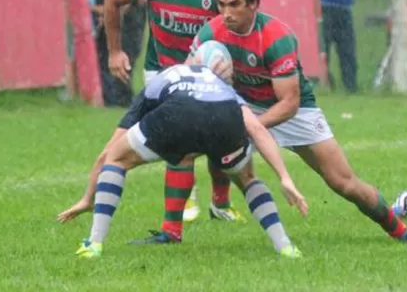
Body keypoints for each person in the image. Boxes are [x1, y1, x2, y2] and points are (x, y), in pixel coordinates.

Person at [159, 0, 407, 244]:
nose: (226, 13)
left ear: (253, 3)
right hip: (244, 105)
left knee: (343, 182)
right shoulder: (211, 34)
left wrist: (249, 127)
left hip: (294, 112)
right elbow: (192, 76)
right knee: (185, 148)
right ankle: (171, 232)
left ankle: (401, 232)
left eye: (235, 4)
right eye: (221, 4)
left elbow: (289, 103)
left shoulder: (276, 38)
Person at [66, 0, 242, 246]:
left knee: (218, 146)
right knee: (182, 148)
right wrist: (116, 51)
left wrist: (229, 62)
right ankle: (176, 226)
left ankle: (217, 203)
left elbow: (236, 26)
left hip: (204, 77)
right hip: (160, 74)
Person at [59, 63, 307, 259]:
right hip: (224, 116)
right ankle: (285, 246)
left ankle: (94, 243)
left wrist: (87, 199)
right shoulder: (221, 86)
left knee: (116, 159)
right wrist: (285, 178)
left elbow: (107, 153)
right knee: (247, 179)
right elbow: (257, 129)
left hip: (179, 113)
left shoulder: (163, 78)